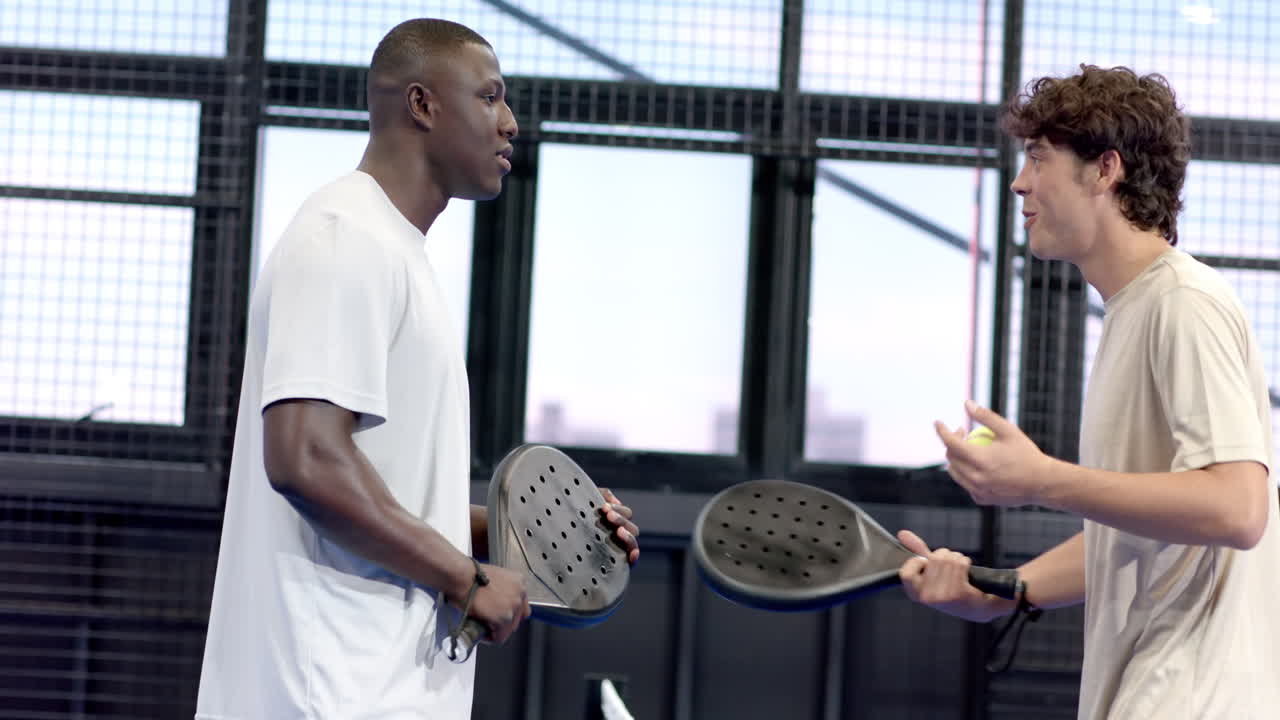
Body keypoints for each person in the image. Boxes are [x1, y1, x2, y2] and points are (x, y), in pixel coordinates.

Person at [195, 18, 640, 720]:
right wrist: (464, 577)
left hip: (373, 689)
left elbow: (383, 492)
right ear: (423, 104)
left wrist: (539, 532)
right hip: (324, 693)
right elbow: (305, 460)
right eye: (491, 97)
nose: (511, 123)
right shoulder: (345, 236)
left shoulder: (394, 250)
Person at [897, 65, 1280, 719]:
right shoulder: (1137, 310)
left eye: (1039, 159)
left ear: (1106, 170)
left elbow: (1239, 509)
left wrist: (1043, 479)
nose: (1020, 183)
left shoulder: (1185, 303)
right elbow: (1143, 535)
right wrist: (1009, 590)